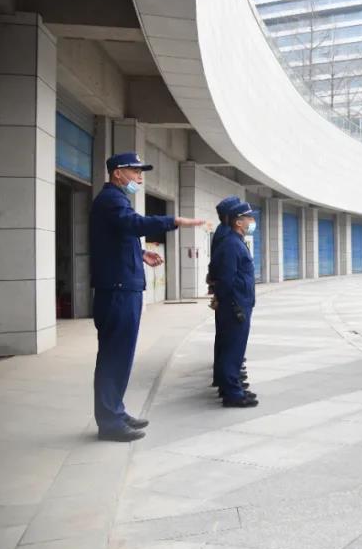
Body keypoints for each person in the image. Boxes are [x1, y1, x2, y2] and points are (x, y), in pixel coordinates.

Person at [90, 152, 205, 441]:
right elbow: (135, 224)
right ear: (118, 173)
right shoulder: (112, 199)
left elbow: (118, 237)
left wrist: (140, 253)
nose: (140, 178)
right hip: (118, 291)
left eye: (141, 173)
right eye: (135, 171)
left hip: (122, 288)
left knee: (120, 356)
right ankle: (110, 422)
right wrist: (174, 220)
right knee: (114, 357)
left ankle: (115, 411)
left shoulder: (116, 200)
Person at [209, 200, 259, 408]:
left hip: (239, 302)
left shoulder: (236, 241)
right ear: (238, 222)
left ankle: (232, 388)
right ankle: (233, 394)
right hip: (235, 305)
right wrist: (226, 300)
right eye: (248, 217)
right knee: (232, 350)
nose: (252, 221)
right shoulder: (231, 244)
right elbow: (226, 278)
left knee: (233, 349)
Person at [208, 195, 241, 391]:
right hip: (230, 296)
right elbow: (223, 268)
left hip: (227, 293)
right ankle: (228, 381)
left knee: (227, 338)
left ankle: (227, 377)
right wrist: (220, 294)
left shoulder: (225, 232)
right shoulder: (227, 235)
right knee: (229, 339)